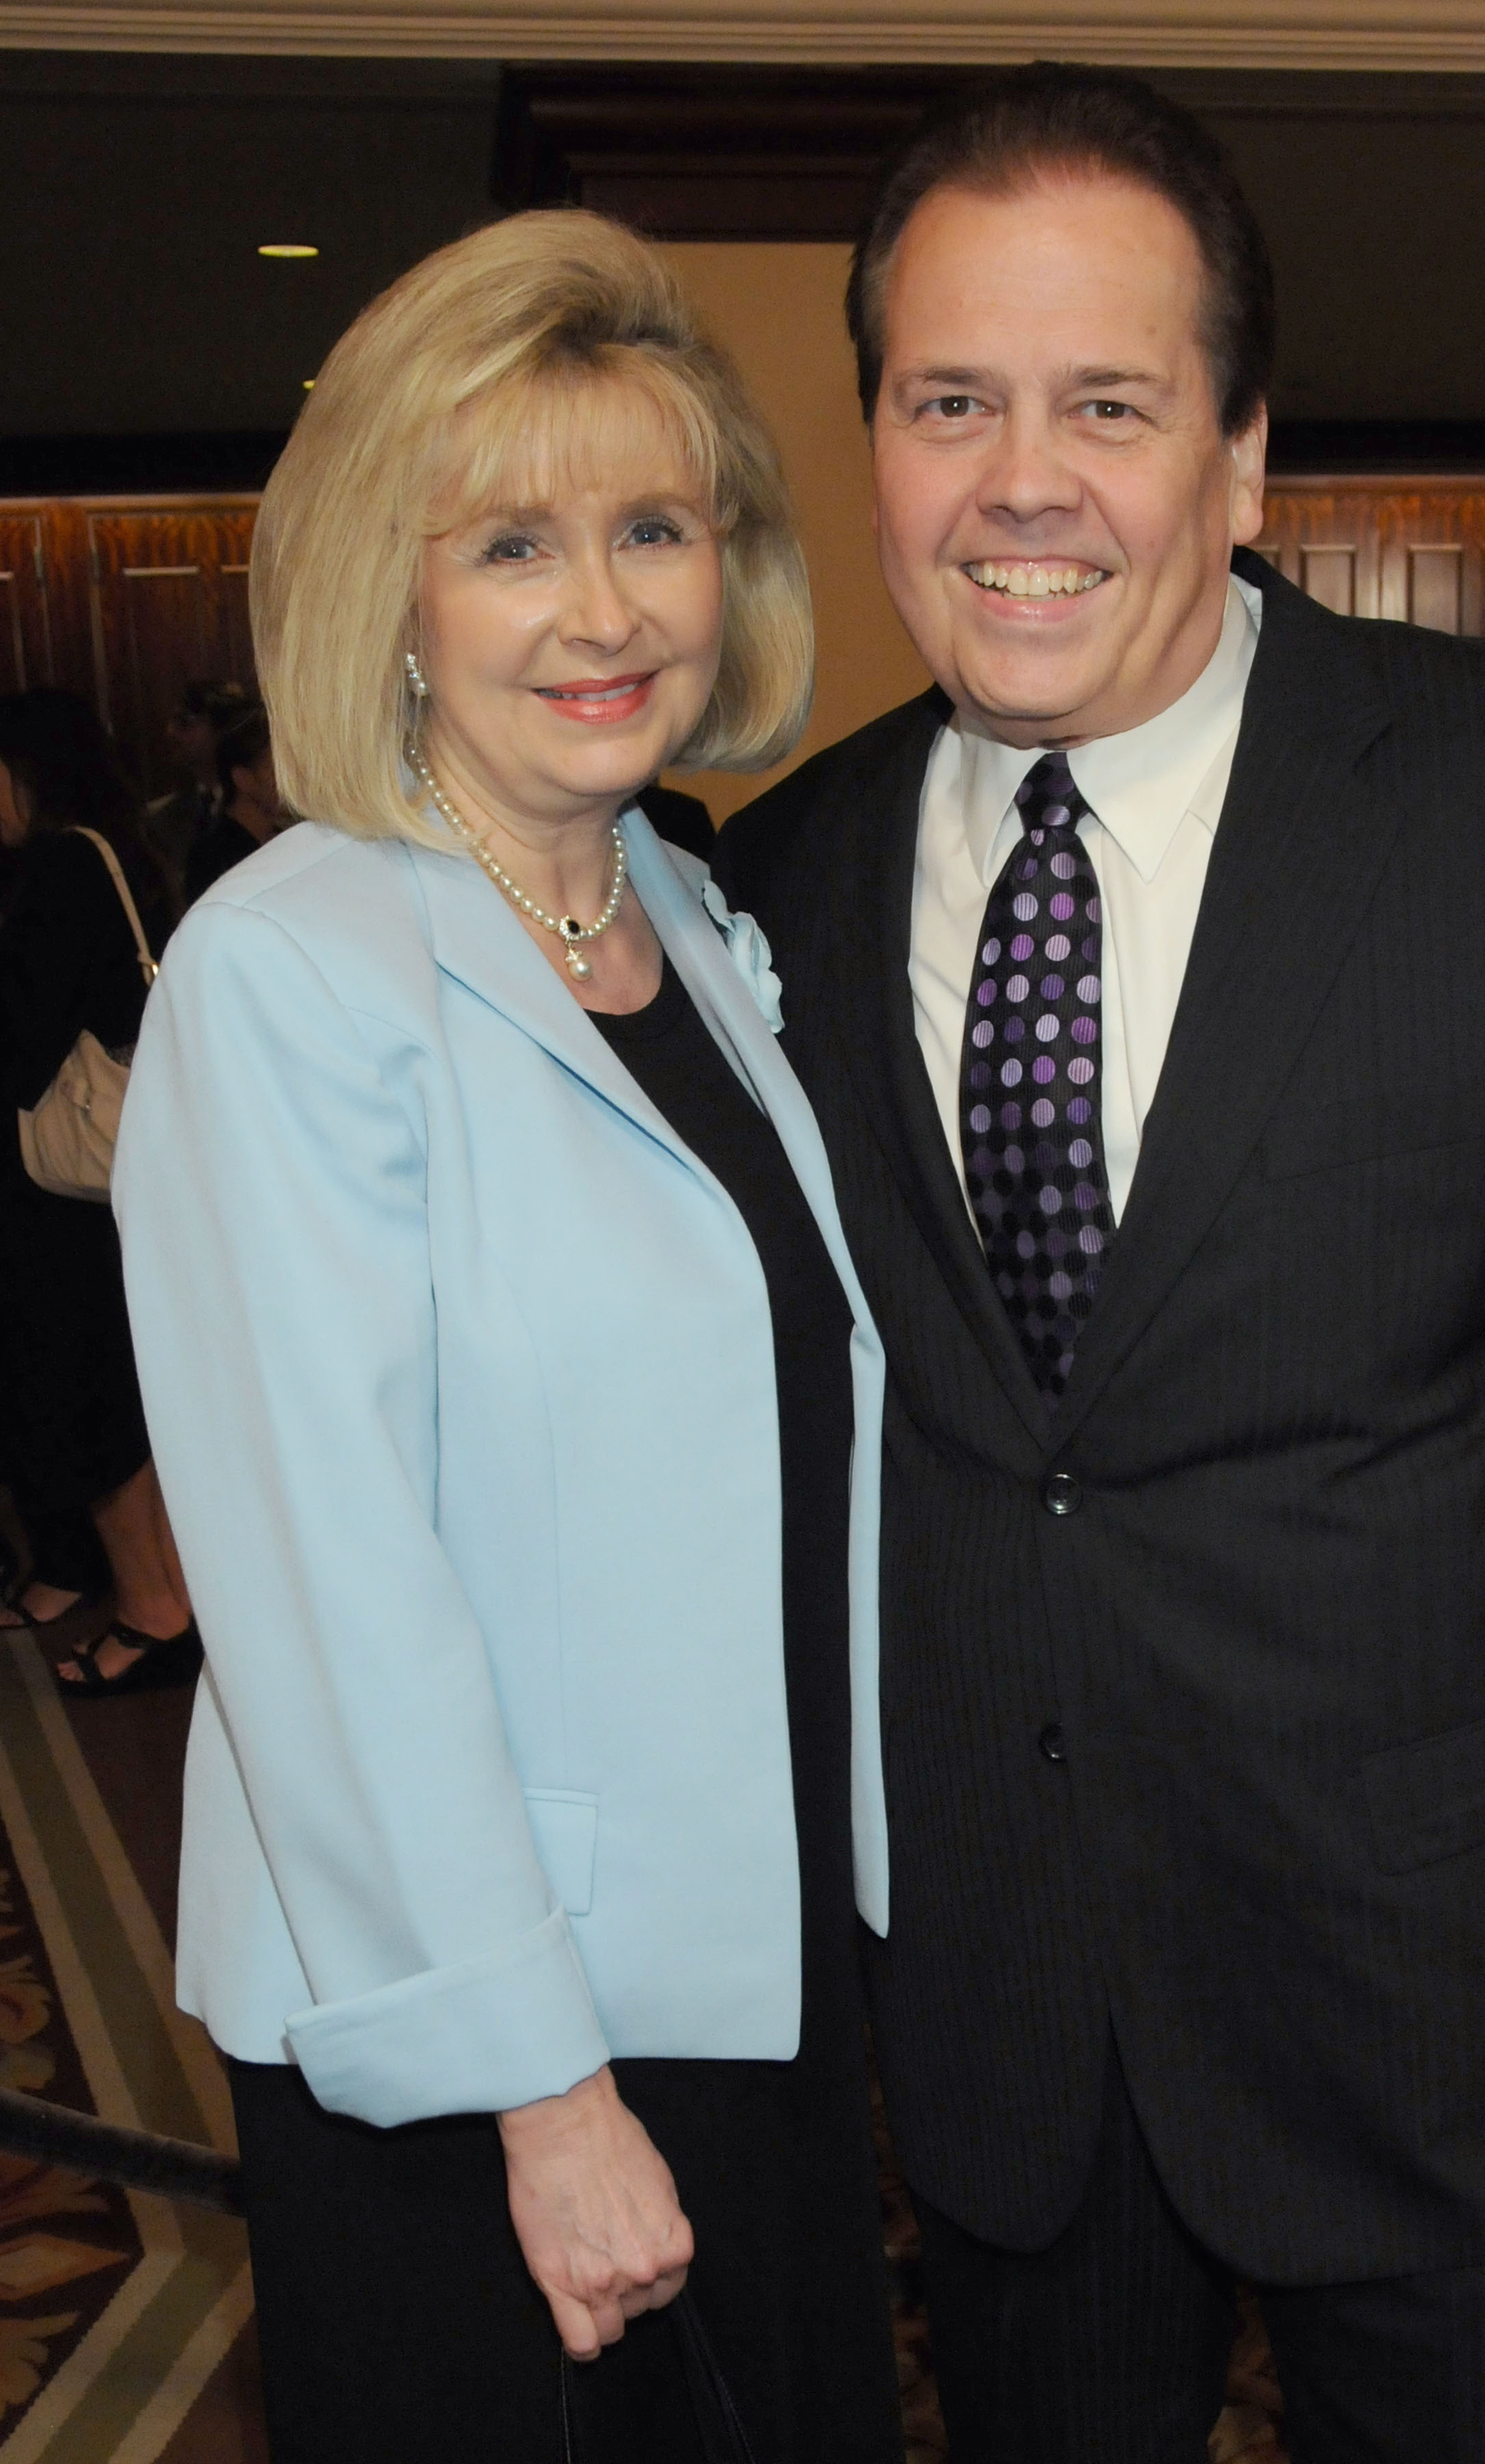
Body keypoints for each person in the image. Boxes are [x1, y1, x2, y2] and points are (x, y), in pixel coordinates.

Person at [716, 64, 1485, 2464]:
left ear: (1238, 454)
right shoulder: (768, 885)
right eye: (950, 401)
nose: (1023, 482)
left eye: (1108, 405)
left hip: (1450, 2007)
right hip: (1000, 2023)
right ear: (873, 443)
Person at [112, 210, 901, 2464]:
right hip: (483, 2035)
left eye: (655, 528)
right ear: (393, 590)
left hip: (754, 1972)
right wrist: (542, 2087)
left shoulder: (687, 914)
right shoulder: (294, 969)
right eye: (514, 545)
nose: (605, 610)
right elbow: (329, 1593)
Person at [0, 690, 199, 1691]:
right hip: (118, 1176)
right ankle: (164, 1597)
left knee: (89, 1401)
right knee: (124, 1393)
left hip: (63, 1191)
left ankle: (153, 1609)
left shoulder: (62, 866)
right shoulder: (121, 850)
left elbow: (24, 1037)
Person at [145, 680, 252, 895]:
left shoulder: (261, 809)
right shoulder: (160, 817)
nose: (170, 732)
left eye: (185, 722)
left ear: (223, 729)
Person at [181, 700, 285, 902]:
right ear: (243, 779)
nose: (287, 782)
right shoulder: (212, 857)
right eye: (274, 770)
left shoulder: (285, 839)